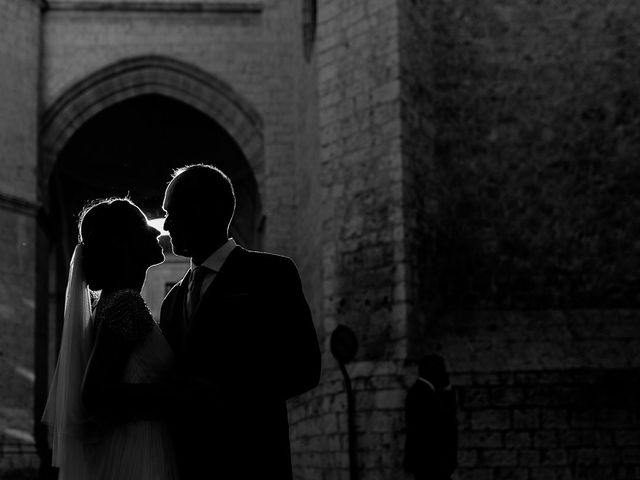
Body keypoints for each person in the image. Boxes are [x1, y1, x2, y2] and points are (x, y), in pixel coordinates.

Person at [160, 164, 321, 480]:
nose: (166, 224)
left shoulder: (272, 274)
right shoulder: (171, 302)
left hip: (255, 460)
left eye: (173, 211)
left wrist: (225, 395)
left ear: (207, 209)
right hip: (191, 466)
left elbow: (305, 368)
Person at [42, 198, 179, 480]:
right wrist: (178, 393)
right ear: (122, 243)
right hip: (138, 450)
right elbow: (95, 394)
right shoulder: (125, 304)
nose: (156, 232)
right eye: (143, 226)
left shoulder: (110, 303)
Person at [404, 354, 458, 480]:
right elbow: (442, 423)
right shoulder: (423, 394)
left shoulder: (421, 391)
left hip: (429, 462)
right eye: (442, 369)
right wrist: (448, 394)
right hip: (431, 462)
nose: (445, 373)